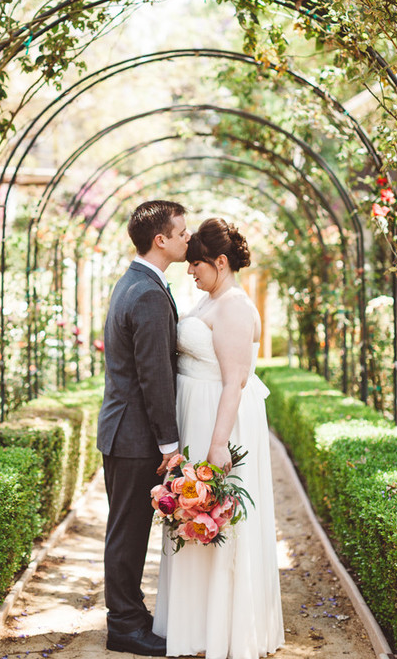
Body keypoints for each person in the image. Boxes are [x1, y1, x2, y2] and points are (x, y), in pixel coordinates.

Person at [153, 217, 285, 659]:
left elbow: (234, 381)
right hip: (197, 413)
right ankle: (193, 625)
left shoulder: (234, 307)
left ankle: (224, 629)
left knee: (218, 517)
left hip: (217, 419)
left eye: (197, 263)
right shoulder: (211, 299)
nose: (190, 270)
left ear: (221, 262)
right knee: (191, 513)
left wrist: (217, 444)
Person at [97, 199, 190, 656]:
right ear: (161, 239)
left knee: (127, 530)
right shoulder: (148, 293)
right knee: (128, 534)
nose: (188, 239)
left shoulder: (134, 282)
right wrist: (169, 443)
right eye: (182, 233)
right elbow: (154, 375)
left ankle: (131, 615)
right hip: (134, 436)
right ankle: (125, 627)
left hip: (122, 431)